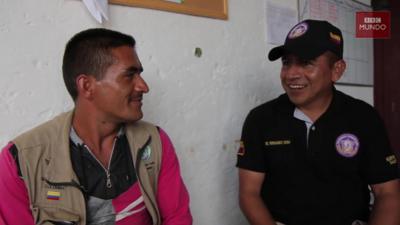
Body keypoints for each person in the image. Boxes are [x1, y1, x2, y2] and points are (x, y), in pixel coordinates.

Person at [0, 28, 192, 225]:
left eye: (140, 74)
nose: (143, 86)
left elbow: (178, 218)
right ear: (87, 86)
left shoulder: (154, 141)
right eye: (129, 75)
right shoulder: (19, 160)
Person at [236, 19, 400, 225]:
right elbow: (249, 194)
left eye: (306, 62)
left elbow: (388, 193)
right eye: (287, 62)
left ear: (337, 70)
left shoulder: (364, 118)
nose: (291, 74)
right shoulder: (261, 119)